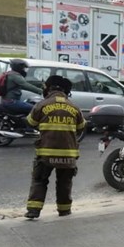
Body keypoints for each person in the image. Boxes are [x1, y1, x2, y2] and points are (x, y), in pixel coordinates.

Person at [24, 76, 86, 219]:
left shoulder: (42, 105)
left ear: (49, 88)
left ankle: (33, 211)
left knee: (39, 180)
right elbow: (81, 127)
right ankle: (64, 211)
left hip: (46, 154)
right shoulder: (74, 107)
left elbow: (30, 122)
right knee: (64, 183)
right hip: (68, 155)